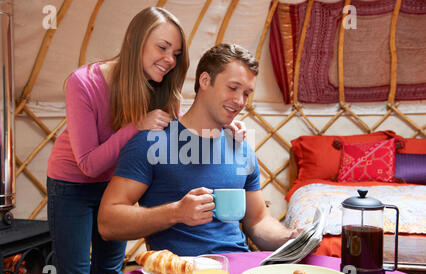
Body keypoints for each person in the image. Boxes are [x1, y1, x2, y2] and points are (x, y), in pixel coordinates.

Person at [47, 7, 246, 274]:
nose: (169, 60)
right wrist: (135, 126)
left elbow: (183, 130)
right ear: (134, 41)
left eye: (176, 54)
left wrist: (225, 125)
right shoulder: (84, 83)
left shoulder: (161, 89)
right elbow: (88, 165)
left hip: (118, 185)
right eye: (162, 47)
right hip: (72, 185)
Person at [98, 43, 301, 257]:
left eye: (247, 93)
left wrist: (289, 239)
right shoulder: (152, 143)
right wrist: (175, 212)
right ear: (205, 81)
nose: (240, 101)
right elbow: (108, 223)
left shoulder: (241, 148)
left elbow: (258, 220)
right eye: (232, 88)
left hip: (240, 271)